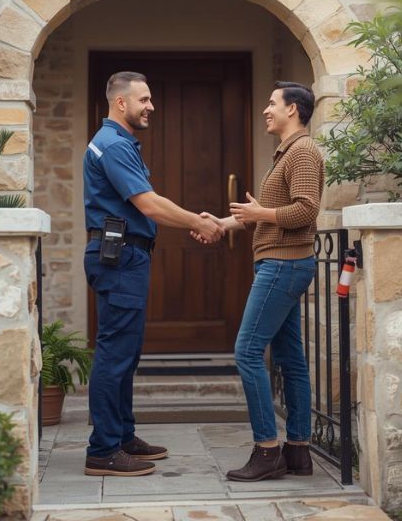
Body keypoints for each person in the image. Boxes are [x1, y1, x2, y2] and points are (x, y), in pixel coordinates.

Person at [83, 71, 222, 477]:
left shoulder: (119, 143)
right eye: (144, 99)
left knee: (126, 354)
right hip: (120, 257)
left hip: (126, 256)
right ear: (120, 103)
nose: (151, 106)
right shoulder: (111, 145)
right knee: (114, 354)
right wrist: (200, 222)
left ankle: (122, 437)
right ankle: (103, 450)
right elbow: (150, 205)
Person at [194, 81, 324, 482]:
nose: (266, 110)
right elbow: (263, 213)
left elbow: (305, 210)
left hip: (283, 265)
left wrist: (260, 213)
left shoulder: (302, 152)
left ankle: (267, 450)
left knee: (247, 351)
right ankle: (298, 451)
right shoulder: (288, 152)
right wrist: (221, 223)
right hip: (283, 263)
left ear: (294, 110)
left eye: (272, 104)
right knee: (291, 359)